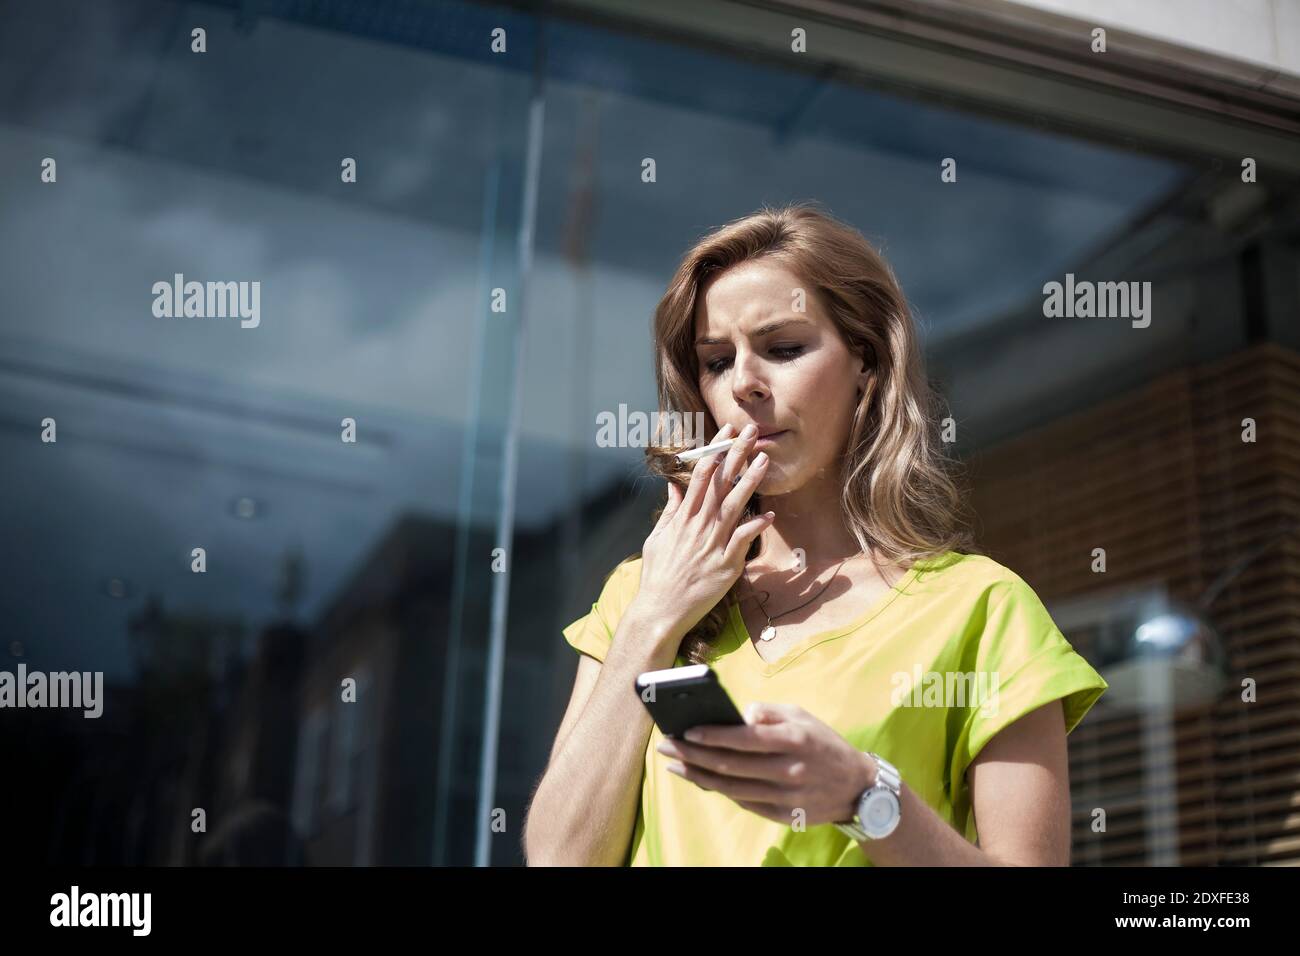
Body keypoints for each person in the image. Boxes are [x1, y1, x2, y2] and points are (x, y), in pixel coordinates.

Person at [523, 202, 1107, 866]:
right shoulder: (641, 591)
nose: (744, 383)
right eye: (716, 361)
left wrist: (865, 796)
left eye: (783, 348)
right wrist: (653, 617)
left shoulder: (982, 609)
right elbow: (559, 858)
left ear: (866, 361)